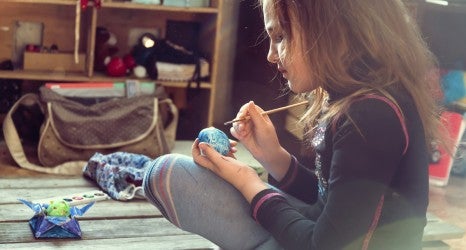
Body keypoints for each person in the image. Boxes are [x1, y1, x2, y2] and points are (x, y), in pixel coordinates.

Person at [143, 0, 448, 249]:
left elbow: (323, 245)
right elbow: (330, 205)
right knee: (171, 175)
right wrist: (273, 157)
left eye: (280, 37)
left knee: (169, 174)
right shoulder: (360, 100)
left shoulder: (372, 115)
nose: (271, 55)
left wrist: (248, 182)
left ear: (333, 29)